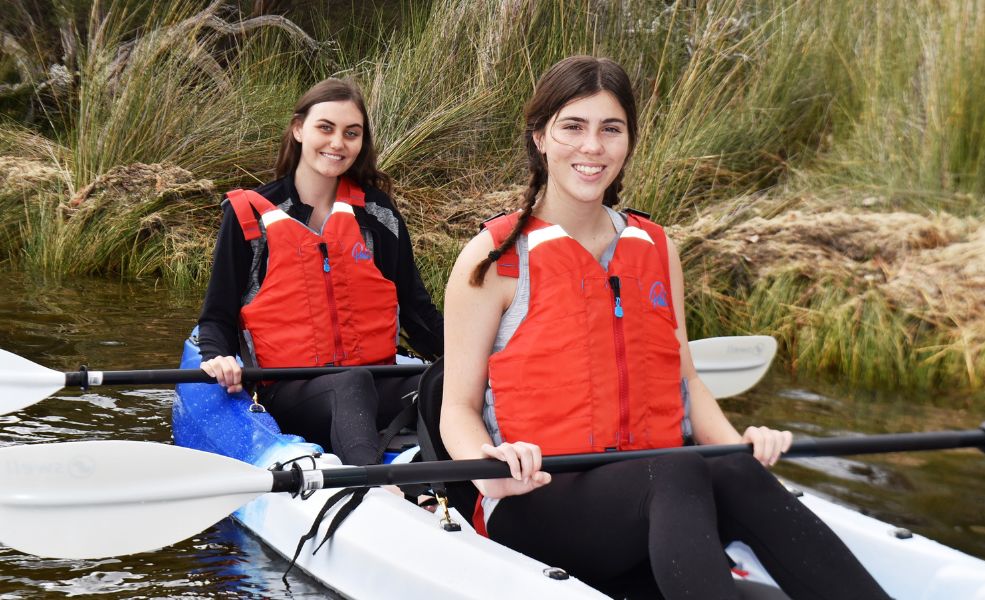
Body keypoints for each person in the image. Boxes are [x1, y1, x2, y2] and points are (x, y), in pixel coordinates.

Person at [439, 56, 890, 599]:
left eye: (611, 129)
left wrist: (738, 447)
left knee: (727, 470)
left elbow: (687, 382)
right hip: (540, 502)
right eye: (573, 127)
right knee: (675, 469)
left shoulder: (654, 247)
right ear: (540, 137)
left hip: (661, 496)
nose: (592, 147)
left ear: (628, 141)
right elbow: (457, 409)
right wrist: (489, 469)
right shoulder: (493, 257)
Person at [198, 77, 443, 466]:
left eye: (351, 133)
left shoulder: (379, 216)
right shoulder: (249, 216)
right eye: (325, 128)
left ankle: (449, 488)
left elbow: (417, 312)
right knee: (352, 381)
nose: (337, 143)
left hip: (376, 384)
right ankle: (368, 490)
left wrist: (473, 363)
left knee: (446, 380)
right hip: (290, 391)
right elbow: (216, 316)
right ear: (298, 129)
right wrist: (218, 356)